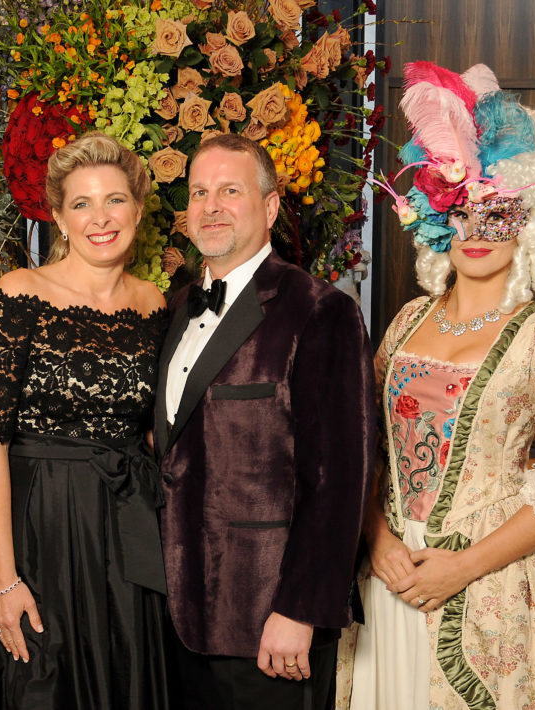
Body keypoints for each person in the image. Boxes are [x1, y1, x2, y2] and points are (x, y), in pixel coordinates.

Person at [336, 62, 535, 709]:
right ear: (438, 218)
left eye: (498, 214)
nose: (479, 231)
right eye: (462, 212)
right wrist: (377, 537)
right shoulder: (407, 320)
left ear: (525, 222)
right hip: (387, 573)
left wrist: (462, 566)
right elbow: (364, 451)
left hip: (491, 587)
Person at [0, 131, 169, 710]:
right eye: (81, 204)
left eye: (115, 200)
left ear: (138, 211)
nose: (101, 217)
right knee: (35, 686)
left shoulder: (157, 303)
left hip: (124, 527)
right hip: (35, 526)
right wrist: (3, 578)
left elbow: (157, 429)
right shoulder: (20, 292)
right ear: (58, 219)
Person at [155, 134, 375, 709]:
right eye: (200, 192)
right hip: (175, 610)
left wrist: (300, 609)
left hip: (266, 616)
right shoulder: (177, 306)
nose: (211, 206)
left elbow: (338, 480)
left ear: (271, 206)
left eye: (230, 190)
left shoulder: (320, 311)